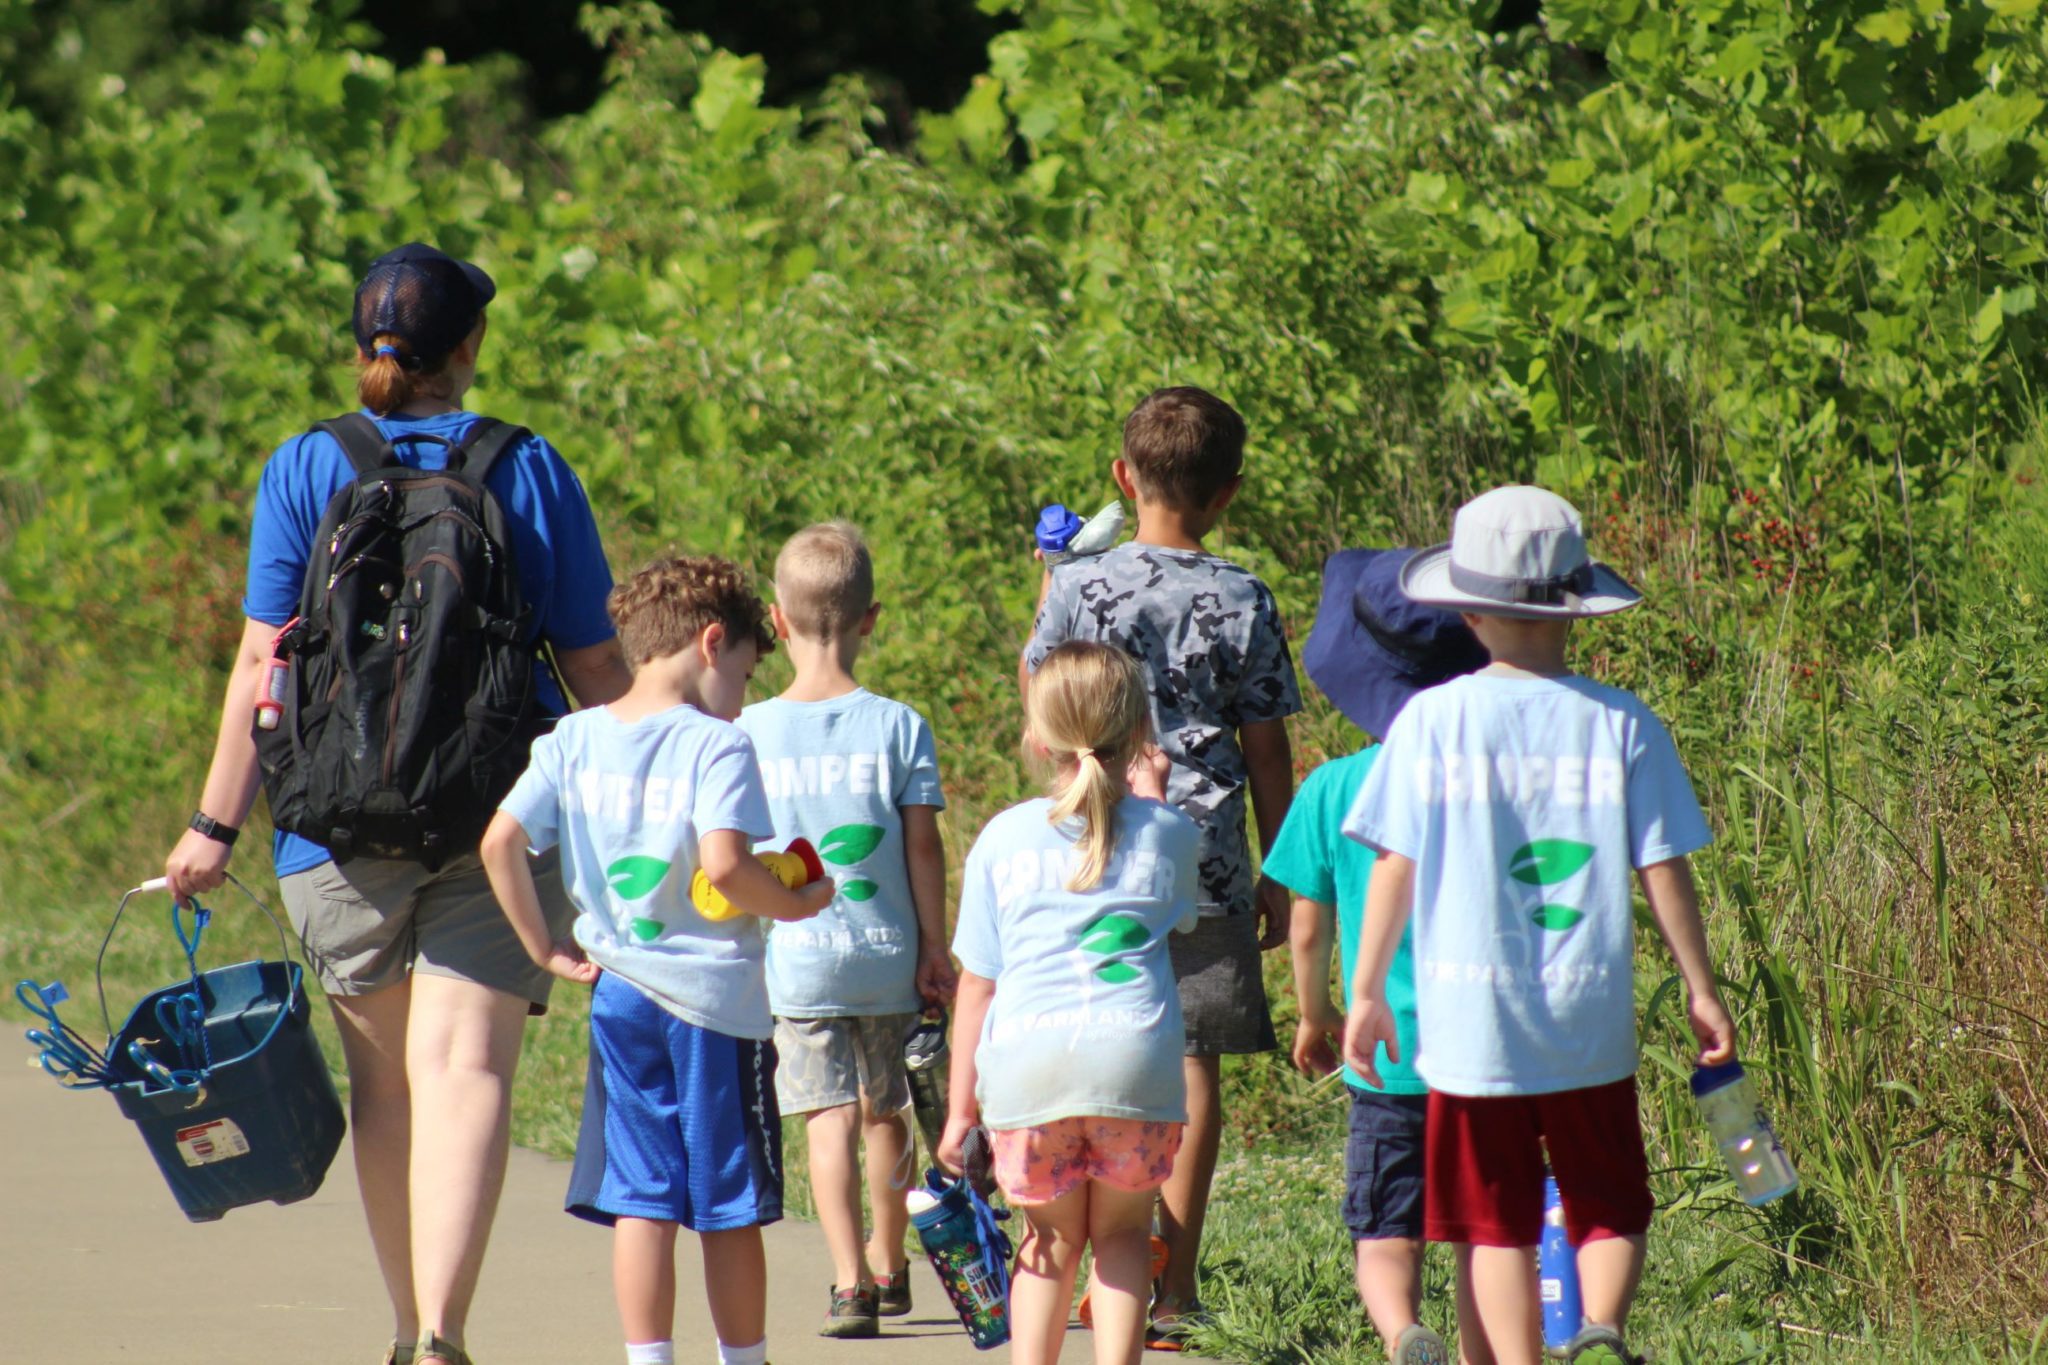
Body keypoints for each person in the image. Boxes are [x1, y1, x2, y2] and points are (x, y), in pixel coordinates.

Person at [162, 243, 632, 1365]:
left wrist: (214, 824)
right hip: (494, 811)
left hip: (331, 817)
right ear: (466, 351)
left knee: (387, 1093)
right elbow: (595, 665)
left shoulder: (303, 466)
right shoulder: (528, 466)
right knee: (466, 1070)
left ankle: (397, 1322)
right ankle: (443, 1332)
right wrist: (667, 787)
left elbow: (261, 665)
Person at [1339, 487, 1738, 1365]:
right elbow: (1663, 864)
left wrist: (1365, 992)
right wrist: (1702, 989)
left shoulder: (1431, 721)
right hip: (1589, 1019)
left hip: (1470, 1027)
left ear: (1470, 611)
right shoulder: (1622, 722)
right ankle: (1601, 1328)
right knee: (1609, 1203)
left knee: (1495, 1225)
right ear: (1577, 606)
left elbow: (1392, 863)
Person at [481, 554, 832, 1365]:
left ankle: (649, 1357)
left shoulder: (571, 738)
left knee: (640, 1196)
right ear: (713, 642)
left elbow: (500, 840)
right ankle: (744, 1358)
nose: (741, 696)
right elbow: (725, 869)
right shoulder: (718, 745)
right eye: (743, 674)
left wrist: (544, 945)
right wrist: (798, 904)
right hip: (714, 1007)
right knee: (728, 1201)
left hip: (621, 996)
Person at [1021, 385, 1301, 1342]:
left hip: (1088, 847)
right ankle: (1170, 1285)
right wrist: (1284, 867)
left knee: (1090, 1035)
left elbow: (1042, 710)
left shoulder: (1075, 587)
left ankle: (1089, 1260)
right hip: (1209, 857)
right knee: (1188, 1066)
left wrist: (1046, 582)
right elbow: (1267, 749)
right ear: (1227, 493)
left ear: (1120, 477)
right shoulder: (1243, 595)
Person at [1263, 548, 1492, 1365]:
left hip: (1385, 1064)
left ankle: (1401, 1330)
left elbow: (1306, 926)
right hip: (1482, 1054)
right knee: (1481, 1235)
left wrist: (1316, 1011)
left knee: (1384, 1232)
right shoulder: (1485, 779)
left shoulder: (1332, 787)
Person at [941, 641, 1199, 1365]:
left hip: (1028, 1069)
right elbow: (1179, 917)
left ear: (1037, 735)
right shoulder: (1171, 834)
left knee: (1048, 1240)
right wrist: (1154, 801)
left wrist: (962, 1110)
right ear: (1140, 731)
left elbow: (979, 984)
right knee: (1121, 1236)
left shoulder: (1001, 837)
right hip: (1135, 1069)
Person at [732, 522, 955, 1337]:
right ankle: (893, 1262)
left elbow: (736, 857)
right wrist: (936, 945)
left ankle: (848, 1280)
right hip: (885, 955)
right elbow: (923, 844)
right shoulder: (900, 724)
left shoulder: (749, 730)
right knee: (884, 1112)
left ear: (776, 621)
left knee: (827, 1118)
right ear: (872, 618)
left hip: (798, 962)